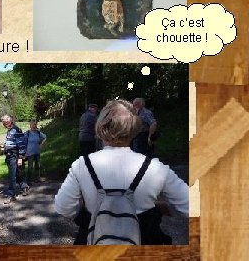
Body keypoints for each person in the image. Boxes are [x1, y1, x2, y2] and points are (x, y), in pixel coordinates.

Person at [55, 99, 188, 245]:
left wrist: (84, 204)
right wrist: (157, 206)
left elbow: (63, 207)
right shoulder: (155, 168)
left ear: (100, 127)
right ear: (135, 128)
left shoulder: (82, 165)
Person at [0, 115, 27, 198]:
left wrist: (20, 158)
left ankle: (11, 194)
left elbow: (21, 145)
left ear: (9, 121)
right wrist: (3, 146)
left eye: (4, 123)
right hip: (9, 154)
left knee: (12, 175)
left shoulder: (16, 130)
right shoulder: (9, 130)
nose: (3, 125)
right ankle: (24, 186)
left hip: (14, 155)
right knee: (16, 173)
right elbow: (11, 143)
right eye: (3, 123)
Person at [24, 119, 47, 184]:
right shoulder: (27, 133)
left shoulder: (38, 132)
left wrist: (41, 144)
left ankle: (37, 179)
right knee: (30, 167)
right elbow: (24, 143)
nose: (34, 126)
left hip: (37, 152)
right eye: (33, 124)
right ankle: (29, 180)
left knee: (37, 166)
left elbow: (45, 137)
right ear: (30, 125)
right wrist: (25, 152)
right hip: (29, 152)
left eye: (35, 124)